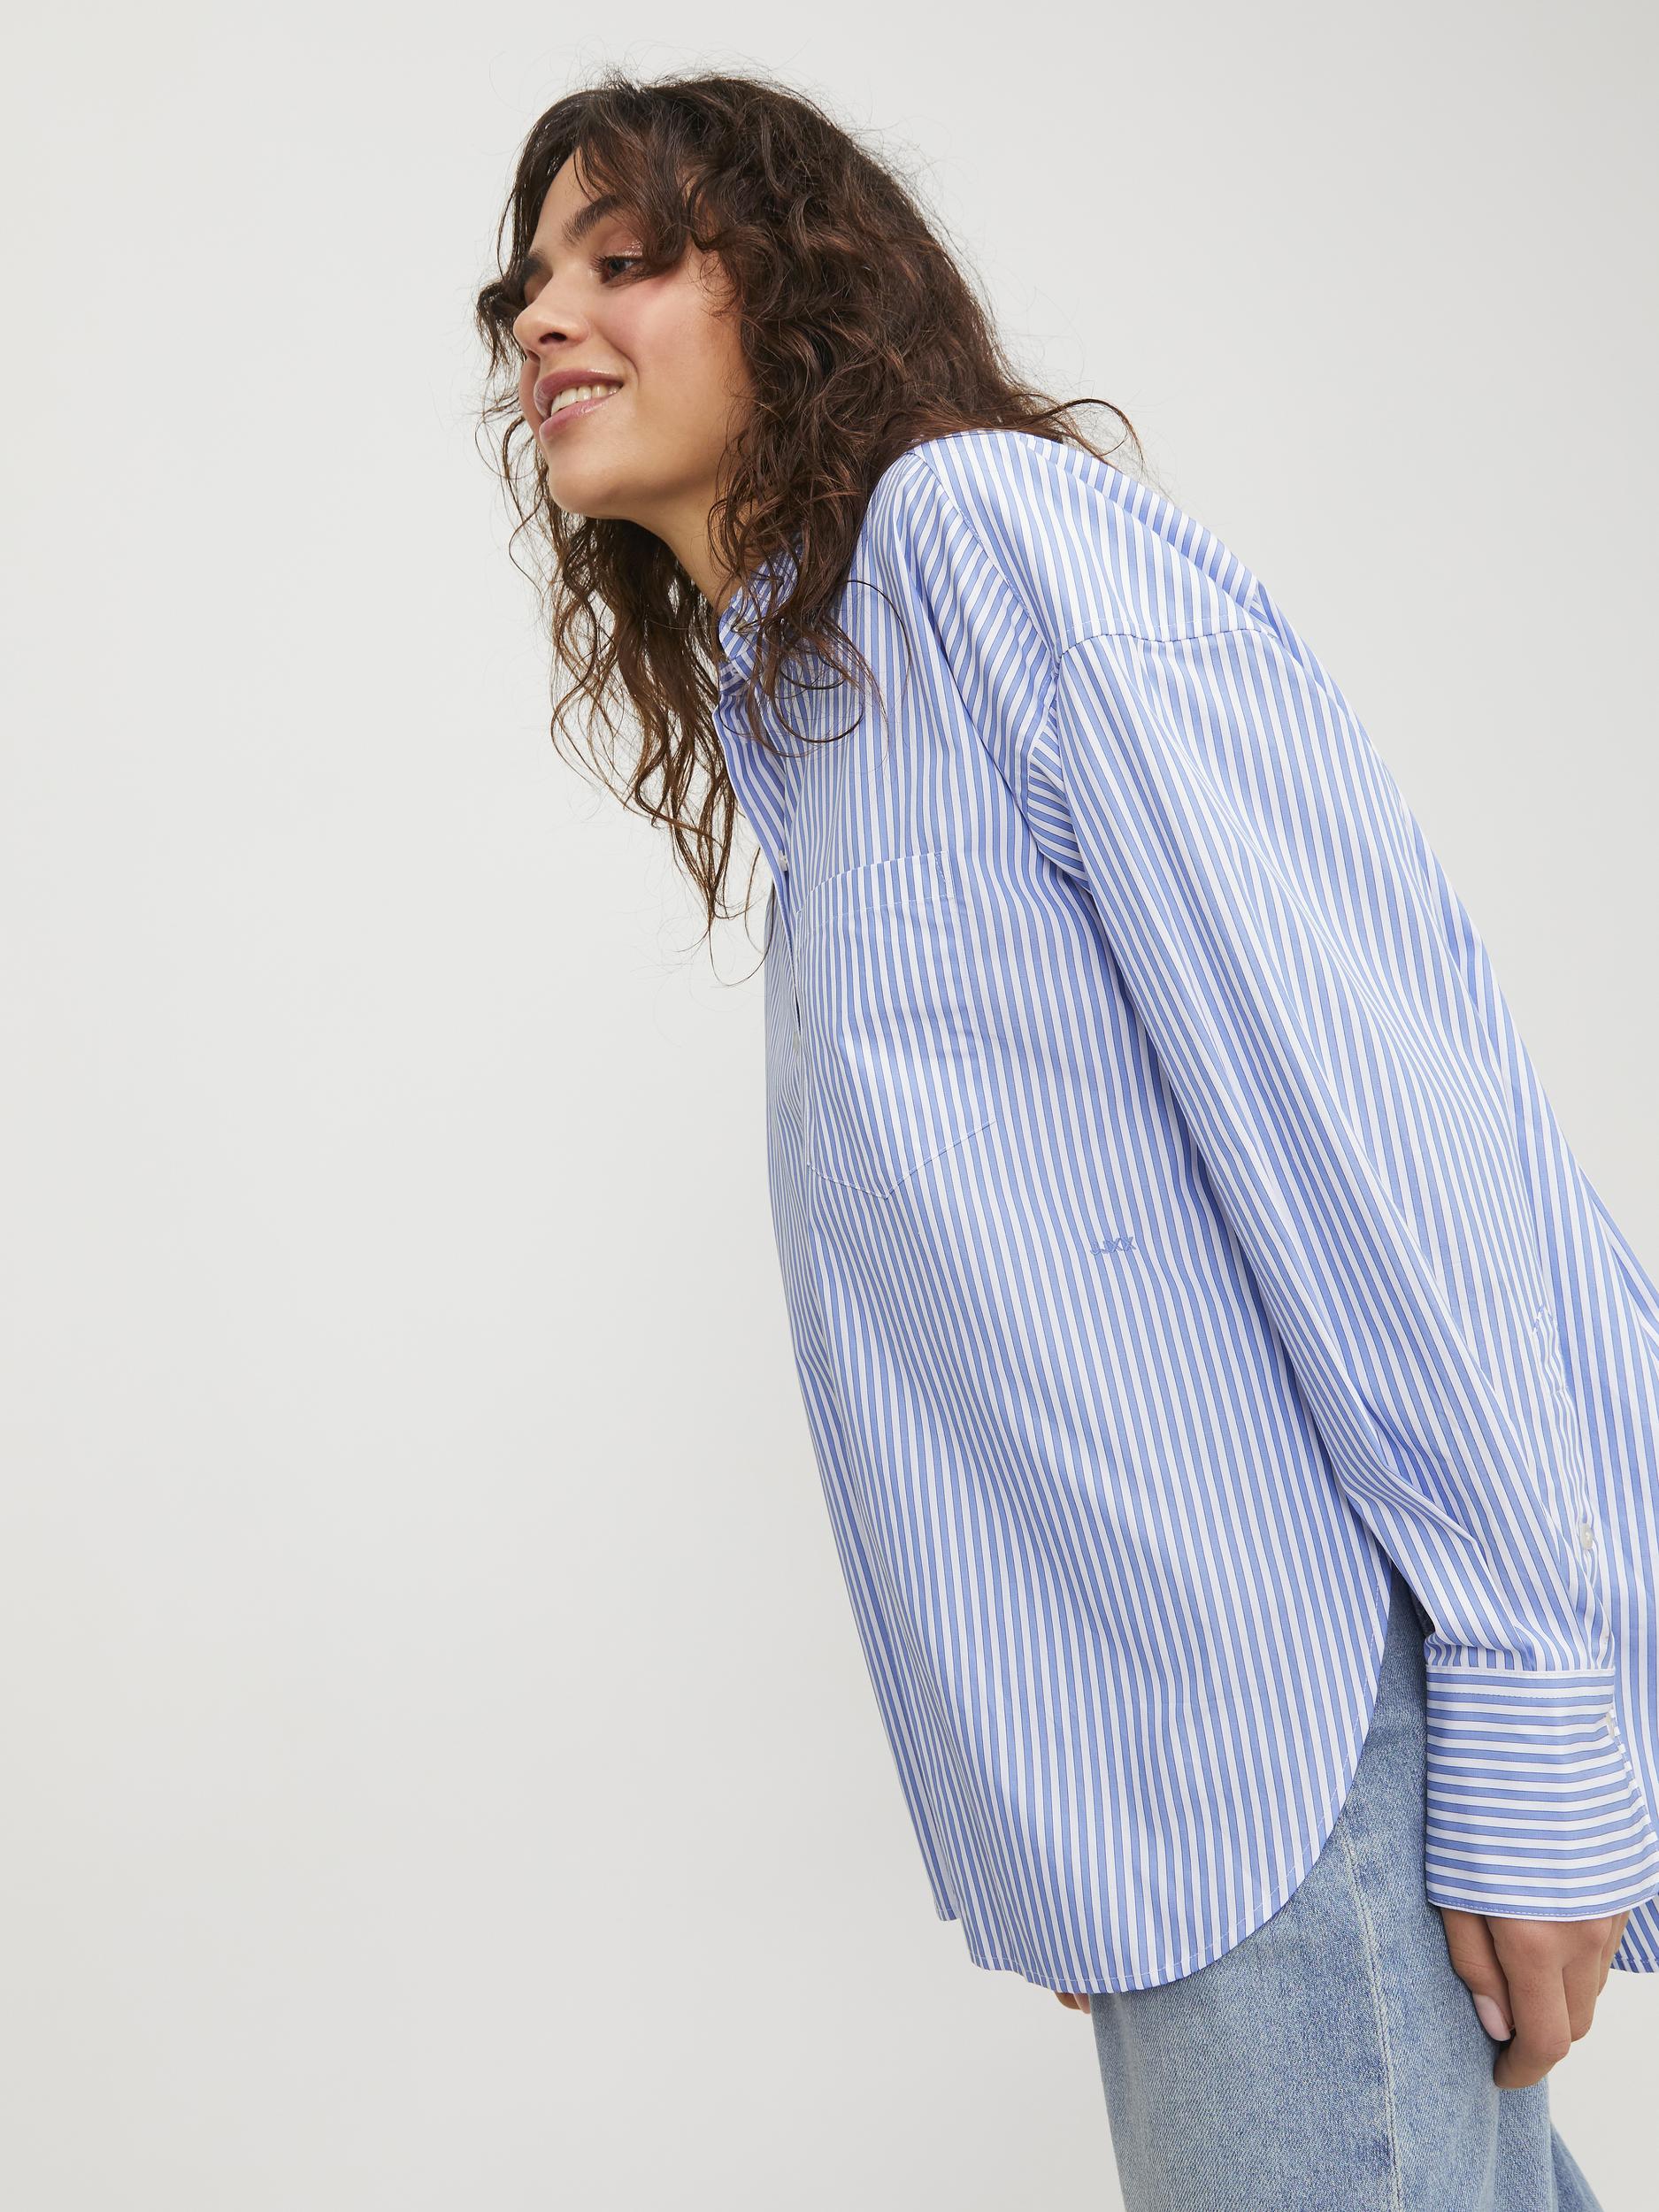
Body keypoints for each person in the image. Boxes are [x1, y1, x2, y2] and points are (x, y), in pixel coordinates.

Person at [473, 67, 1659, 2209]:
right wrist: (1052, 1799)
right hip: (1180, 1796)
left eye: (625, 258)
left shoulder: (977, 541)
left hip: (1296, 1758)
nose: (545, 318)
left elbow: (1375, 1116)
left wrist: (1529, 1692)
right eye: (525, 288)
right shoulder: (824, 730)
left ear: (801, 287)